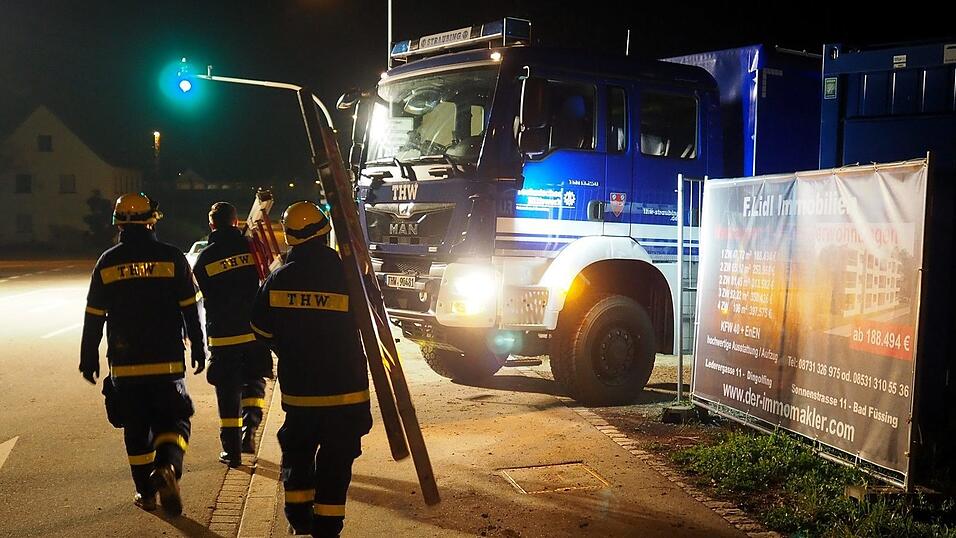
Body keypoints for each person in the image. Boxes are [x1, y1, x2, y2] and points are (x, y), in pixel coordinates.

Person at [79, 193, 206, 516]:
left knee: (135, 429)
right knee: (174, 420)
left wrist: (88, 356)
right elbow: (190, 309)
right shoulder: (172, 257)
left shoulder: (107, 262)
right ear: (153, 219)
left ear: (118, 222)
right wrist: (199, 346)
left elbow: (94, 314)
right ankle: (168, 468)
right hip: (167, 361)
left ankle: (146, 494)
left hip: (125, 364)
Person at [250, 201, 371, 537]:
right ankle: (328, 528)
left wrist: (287, 347)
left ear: (290, 237)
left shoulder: (278, 278)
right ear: (324, 232)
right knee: (337, 463)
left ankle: (299, 519)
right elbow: (370, 320)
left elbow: (260, 328)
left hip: (301, 394)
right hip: (347, 393)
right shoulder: (348, 274)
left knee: (298, 456)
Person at [193, 202, 272, 467]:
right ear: (236, 221)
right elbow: (266, 278)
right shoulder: (252, 248)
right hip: (253, 332)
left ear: (211, 224)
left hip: (223, 336)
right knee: (255, 382)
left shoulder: (204, 259)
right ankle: (249, 431)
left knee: (227, 393)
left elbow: (206, 296)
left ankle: (232, 451)